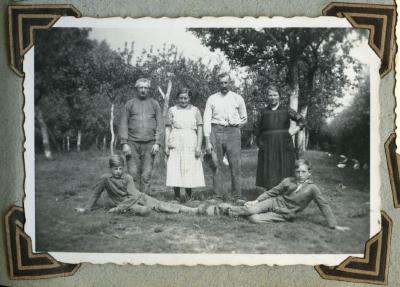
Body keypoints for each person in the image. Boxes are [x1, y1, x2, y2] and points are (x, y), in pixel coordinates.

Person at [218, 159, 350, 230]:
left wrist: (334, 225)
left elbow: (324, 205)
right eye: (298, 171)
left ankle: (244, 209)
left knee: (254, 219)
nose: (300, 175)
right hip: (274, 202)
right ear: (294, 172)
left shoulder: (313, 188)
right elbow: (272, 192)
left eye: (303, 172)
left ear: (309, 173)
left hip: (285, 213)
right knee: (252, 208)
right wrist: (257, 201)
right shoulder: (288, 181)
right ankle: (225, 210)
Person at [76, 155, 200, 215]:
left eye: (120, 168)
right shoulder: (105, 179)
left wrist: (118, 208)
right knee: (143, 211)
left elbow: (134, 196)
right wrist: (87, 208)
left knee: (161, 205)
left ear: (123, 168)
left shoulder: (127, 178)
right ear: (110, 168)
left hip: (138, 197)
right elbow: (95, 194)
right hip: (127, 204)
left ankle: (193, 210)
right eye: (115, 169)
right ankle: (142, 210)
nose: (118, 171)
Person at [203, 72, 247, 203]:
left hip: (233, 132)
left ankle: (237, 196)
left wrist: (236, 124)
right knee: (216, 164)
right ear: (218, 84)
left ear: (230, 83)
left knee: (235, 164)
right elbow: (206, 120)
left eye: (226, 83)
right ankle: (217, 196)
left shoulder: (237, 98)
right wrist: (207, 141)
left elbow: (244, 117)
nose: (224, 86)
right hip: (215, 130)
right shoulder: (212, 98)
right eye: (221, 83)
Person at [254, 86, 306, 189]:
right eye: (270, 95)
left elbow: (302, 121)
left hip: (283, 144)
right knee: (268, 168)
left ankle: (285, 193)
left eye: (275, 95)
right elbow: (256, 129)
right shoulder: (263, 112)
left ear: (279, 96)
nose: (273, 97)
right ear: (267, 96)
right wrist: (260, 142)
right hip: (268, 144)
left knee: (284, 168)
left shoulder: (286, 110)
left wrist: (295, 130)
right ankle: (270, 194)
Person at [119, 78, 163, 194]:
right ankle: (133, 198)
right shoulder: (129, 104)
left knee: (146, 174)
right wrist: (124, 143)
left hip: (150, 144)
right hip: (132, 144)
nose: (143, 90)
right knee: (133, 173)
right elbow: (123, 123)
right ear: (137, 89)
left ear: (149, 89)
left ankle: (145, 199)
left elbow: (160, 124)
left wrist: (157, 143)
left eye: (146, 88)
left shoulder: (155, 104)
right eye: (141, 87)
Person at [165, 88, 205, 202]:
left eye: (185, 98)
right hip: (176, 140)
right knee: (175, 167)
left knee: (189, 167)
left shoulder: (195, 110)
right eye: (181, 98)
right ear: (177, 98)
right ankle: (176, 196)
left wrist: (198, 146)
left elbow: (200, 129)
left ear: (189, 98)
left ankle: (189, 196)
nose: (183, 101)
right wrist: (166, 144)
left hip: (190, 140)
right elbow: (168, 128)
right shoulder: (172, 110)